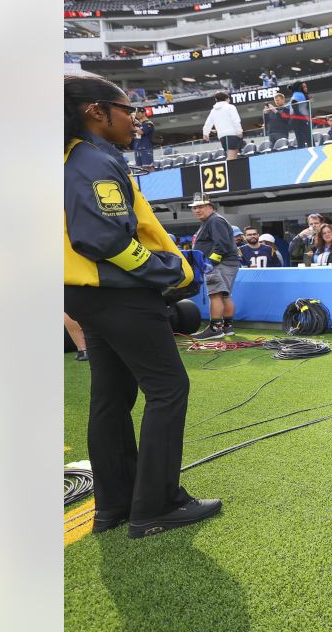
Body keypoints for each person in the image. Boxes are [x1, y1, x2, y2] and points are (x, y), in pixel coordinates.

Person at [63, 74, 220, 537]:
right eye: (127, 109)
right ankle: (156, 506)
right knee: (168, 390)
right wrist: (165, 273)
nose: (137, 119)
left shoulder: (70, 157)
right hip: (122, 295)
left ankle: (113, 508)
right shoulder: (92, 159)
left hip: (90, 297)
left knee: (110, 401)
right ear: (96, 111)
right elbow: (101, 237)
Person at [189, 193, 240, 339]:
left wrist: (209, 264)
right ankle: (227, 327)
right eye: (195, 208)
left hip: (219, 264)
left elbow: (221, 245)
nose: (197, 210)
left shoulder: (215, 221)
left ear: (210, 207)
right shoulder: (213, 220)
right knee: (224, 295)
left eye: (201, 207)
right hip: (226, 263)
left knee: (215, 295)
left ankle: (215, 329)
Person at [201, 92, 244, 160]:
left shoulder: (213, 111)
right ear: (226, 99)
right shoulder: (230, 107)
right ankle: (228, 170)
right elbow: (235, 120)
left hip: (222, 136)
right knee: (232, 157)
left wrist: (205, 133)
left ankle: (233, 169)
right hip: (232, 134)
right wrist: (239, 131)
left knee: (233, 156)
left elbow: (208, 123)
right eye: (228, 98)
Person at [288, 81, 312, 148]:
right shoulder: (299, 94)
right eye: (304, 87)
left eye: (306, 86)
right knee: (310, 141)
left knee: (300, 141)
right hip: (300, 120)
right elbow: (294, 103)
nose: (306, 88)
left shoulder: (295, 94)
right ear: (300, 88)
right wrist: (301, 117)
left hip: (296, 120)